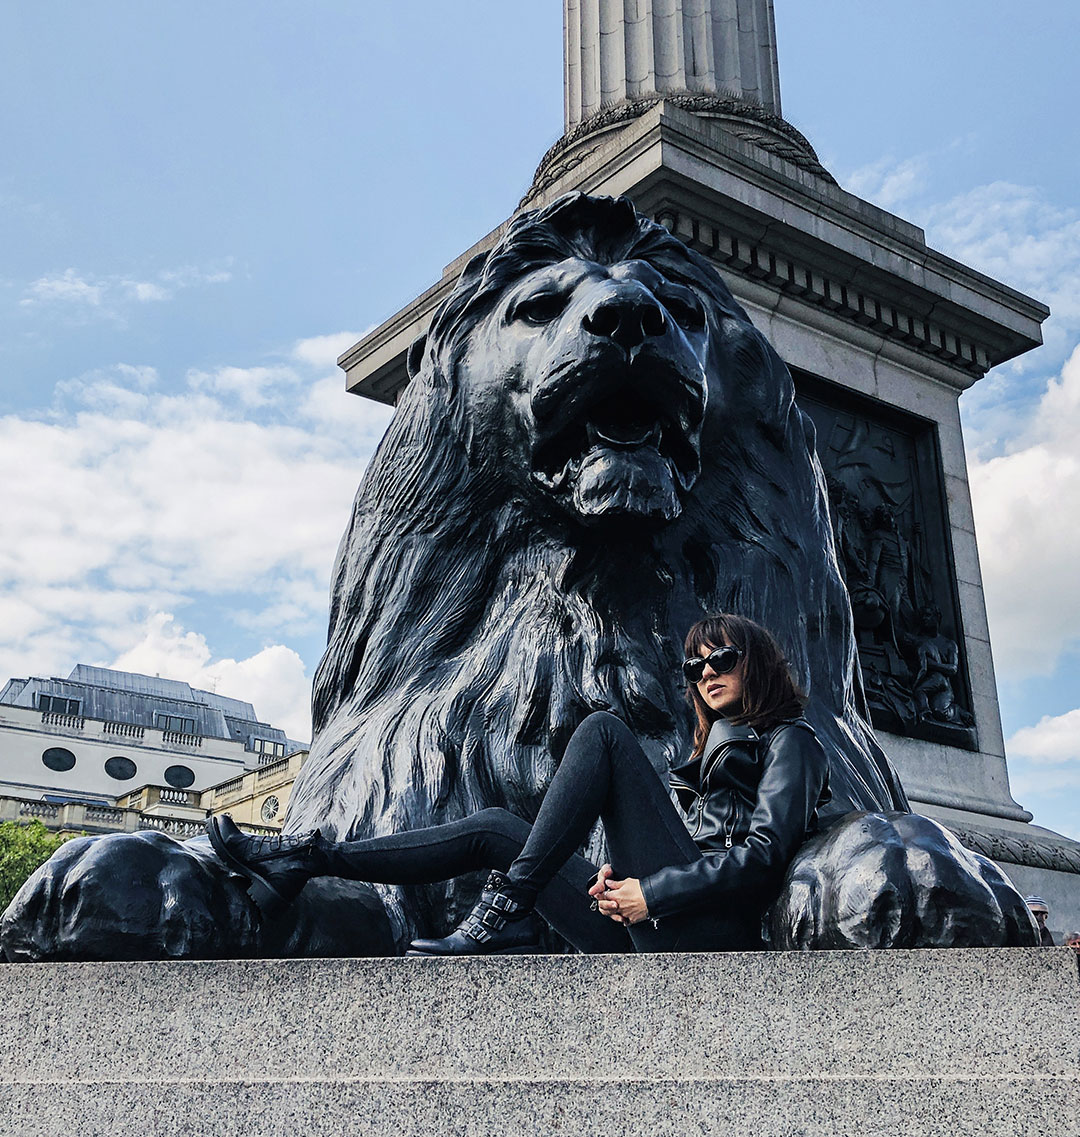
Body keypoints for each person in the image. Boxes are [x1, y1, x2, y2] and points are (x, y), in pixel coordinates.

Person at [210, 613, 832, 955]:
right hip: (655, 920)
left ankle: (499, 909)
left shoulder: (791, 741)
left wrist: (655, 892)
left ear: (759, 665)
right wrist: (619, 879)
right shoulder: (705, 749)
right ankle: (306, 857)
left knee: (605, 733)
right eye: (695, 666)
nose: (705, 674)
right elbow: (682, 838)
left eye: (723, 659)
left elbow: (764, 856)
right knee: (494, 829)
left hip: (707, 931)